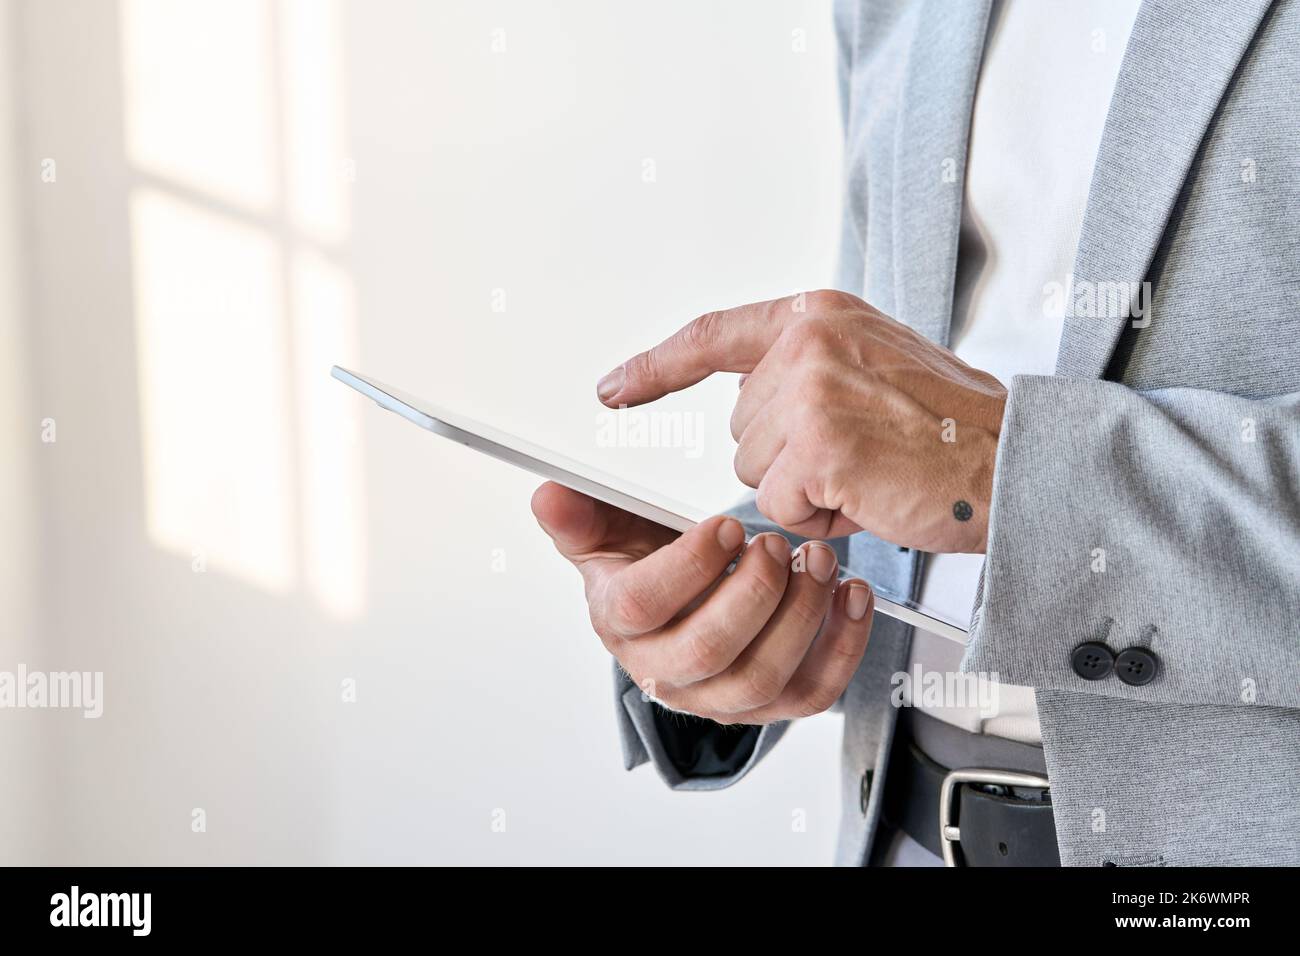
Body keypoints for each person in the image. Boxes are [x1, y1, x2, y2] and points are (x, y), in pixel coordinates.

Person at [532, 0, 1300, 866]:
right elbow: (893, 452)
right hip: (898, 831)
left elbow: (957, 452)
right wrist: (730, 593)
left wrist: (997, 462)